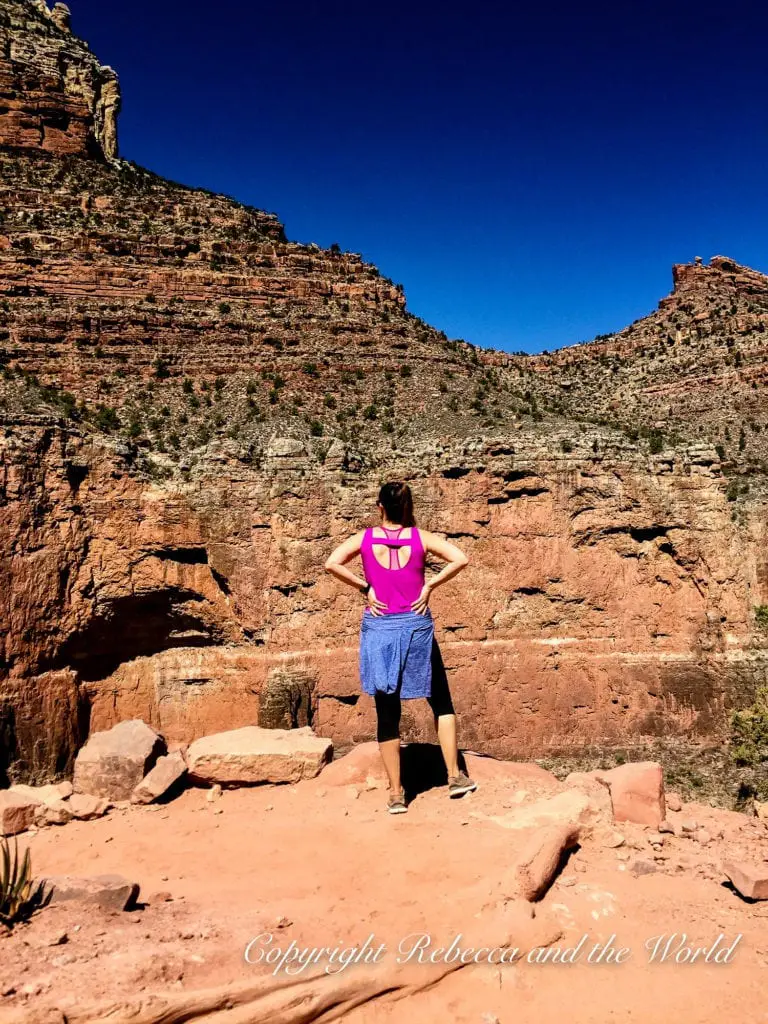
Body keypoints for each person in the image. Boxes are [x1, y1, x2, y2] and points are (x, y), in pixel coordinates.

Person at [324, 480, 477, 814]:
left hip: (379, 627)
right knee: (441, 700)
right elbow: (460, 558)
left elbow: (332, 563)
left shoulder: (364, 539)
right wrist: (429, 585)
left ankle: (396, 793)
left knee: (387, 711)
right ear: (408, 507)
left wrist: (366, 588)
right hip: (416, 625)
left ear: (380, 506)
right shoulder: (420, 538)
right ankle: (454, 776)